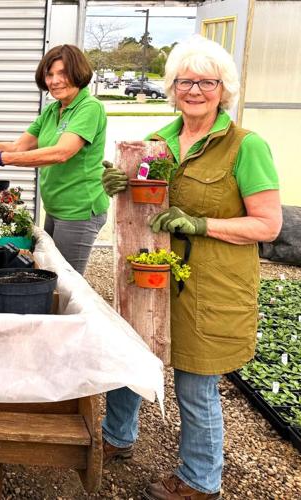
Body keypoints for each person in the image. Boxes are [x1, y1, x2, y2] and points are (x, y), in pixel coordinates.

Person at [99, 35, 281, 500]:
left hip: (211, 286)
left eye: (206, 81)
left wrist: (200, 223)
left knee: (195, 387)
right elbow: (141, 207)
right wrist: (119, 183)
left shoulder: (244, 146)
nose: (194, 90)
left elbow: (268, 224)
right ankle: (116, 436)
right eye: (185, 80)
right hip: (149, 275)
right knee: (130, 357)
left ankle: (201, 480)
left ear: (225, 90)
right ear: (172, 87)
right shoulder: (157, 143)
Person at [0, 44, 108, 275]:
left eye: (62, 73)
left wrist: (0, 158)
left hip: (79, 209)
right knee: (49, 271)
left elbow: (61, 153)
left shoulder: (89, 108)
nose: (55, 81)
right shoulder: (53, 110)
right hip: (55, 206)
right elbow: (18, 146)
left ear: (78, 72)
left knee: (67, 280)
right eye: (50, 74)